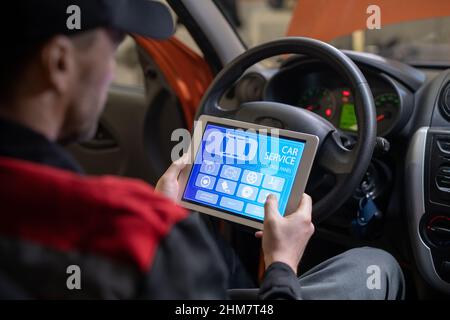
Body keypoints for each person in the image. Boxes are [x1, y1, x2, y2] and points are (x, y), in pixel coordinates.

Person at [0, 0, 404, 299]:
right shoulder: (136, 235)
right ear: (59, 64)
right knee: (375, 266)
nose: (110, 72)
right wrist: (282, 263)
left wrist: (169, 216)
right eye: (113, 47)